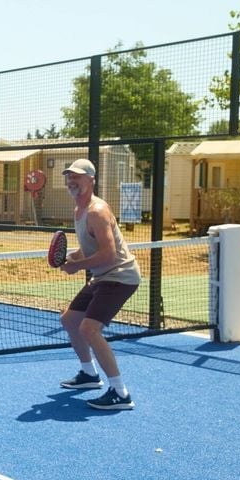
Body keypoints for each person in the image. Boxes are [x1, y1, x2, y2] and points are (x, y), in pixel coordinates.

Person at [57, 158, 142, 410]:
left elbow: (108, 254)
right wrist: (72, 257)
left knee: (89, 329)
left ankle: (120, 393)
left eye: (78, 176)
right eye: (69, 176)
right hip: (102, 276)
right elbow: (90, 249)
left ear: (91, 180)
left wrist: (75, 266)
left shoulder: (97, 211)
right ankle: (89, 375)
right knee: (69, 320)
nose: (72, 180)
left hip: (120, 276)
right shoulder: (78, 210)